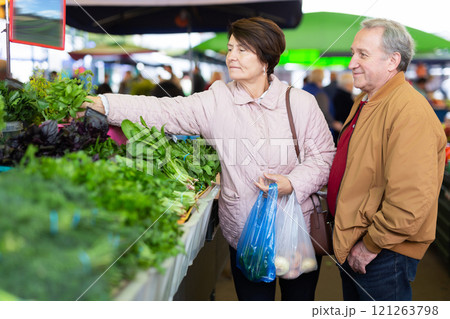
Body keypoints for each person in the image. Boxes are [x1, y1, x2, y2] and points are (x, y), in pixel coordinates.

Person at [80, 17, 335, 301]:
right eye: (230, 49)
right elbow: (164, 111)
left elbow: (324, 158)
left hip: (296, 228)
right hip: (245, 235)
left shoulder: (299, 102)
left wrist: (292, 182)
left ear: (266, 58)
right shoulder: (216, 101)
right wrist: (105, 104)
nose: (231, 57)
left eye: (242, 50)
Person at [327, 18, 447, 301]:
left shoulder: (409, 111)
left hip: (382, 252)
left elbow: (411, 198)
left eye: (362, 54)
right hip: (359, 240)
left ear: (393, 61)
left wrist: (370, 245)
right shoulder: (367, 100)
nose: (351, 63)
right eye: (352, 53)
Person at [303, 69, 342, 134]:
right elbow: (324, 112)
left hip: (305, 127)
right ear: (322, 77)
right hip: (318, 130)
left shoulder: (304, 89)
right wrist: (334, 124)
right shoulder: (319, 93)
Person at [331, 73, 354, 143]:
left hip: (339, 129)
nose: (353, 85)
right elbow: (345, 115)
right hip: (342, 129)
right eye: (352, 83)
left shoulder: (338, 94)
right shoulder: (345, 97)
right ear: (347, 84)